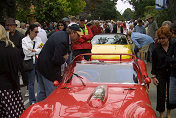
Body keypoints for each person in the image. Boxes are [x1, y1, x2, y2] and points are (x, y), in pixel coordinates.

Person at [36, 24, 83, 102]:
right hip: (48, 70)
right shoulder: (63, 41)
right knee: (51, 94)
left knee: (42, 92)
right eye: (78, 35)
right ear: (72, 33)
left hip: (41, 66)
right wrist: (64, 58)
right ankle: (50, 111)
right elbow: (56, 60)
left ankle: (39, 110)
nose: (79, 38)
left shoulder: (61, 34)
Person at [0, 25, 25, 117]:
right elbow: (16, 69)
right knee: (14, 114)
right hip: (9, 88)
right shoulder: (11, 48)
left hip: (7, 86)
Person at [151, 26, 175, 118]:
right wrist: (154, 77)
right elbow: (154, 65)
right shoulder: (156, 49)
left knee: (170, 95)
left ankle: (168, 114)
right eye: (160, 38)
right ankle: (161, 114)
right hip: (160, 74)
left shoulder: (173, 46)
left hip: (171, 73)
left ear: (168, 37)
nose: (161, 40)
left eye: (163, 38)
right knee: (160, 95)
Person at [22, 24, 43, 105]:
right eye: (35, 31)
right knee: (31, 83)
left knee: (40, 81)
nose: (37, 33)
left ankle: (40, 98)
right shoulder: (24, 40)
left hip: (38, 62)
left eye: (38, 31)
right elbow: (26, 52)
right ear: (30, 31)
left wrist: (34, 50)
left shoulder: (38, 39)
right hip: (30, 63)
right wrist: (36, 50)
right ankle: (32, 100)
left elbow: (41, 49)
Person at [168, 24, 176, 106]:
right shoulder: (174, 43)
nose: (173, 35)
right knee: (172, 100)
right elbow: (168, 57)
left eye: (175, 33)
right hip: (173, 73)